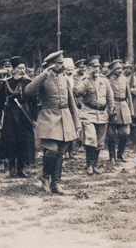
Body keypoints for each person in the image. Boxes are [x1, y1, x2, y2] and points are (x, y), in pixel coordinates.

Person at [25, 51, 81, 194]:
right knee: (51, 151)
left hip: (65, 118)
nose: (62, 66)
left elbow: (71, 102)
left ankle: (56, 184)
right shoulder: (43, 78)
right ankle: (45, 178)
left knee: (61, 152)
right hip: (49, 118)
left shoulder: (64, 78)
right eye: (59, 63)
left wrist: (77, 123)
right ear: (51, 65)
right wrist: (44, 74)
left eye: (62, 63)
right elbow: (28, 90)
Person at [0, 56, 36, 178]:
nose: (22, 70)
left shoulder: (29, 82)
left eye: (23, 68)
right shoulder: (7, 84)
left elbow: (34, 101)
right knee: (11, 141)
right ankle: (12, 167)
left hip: (25, 115)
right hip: (10, 115)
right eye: (19, 68)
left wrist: (35, 116)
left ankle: (21, 168)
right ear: (14, 70)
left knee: (23, 142)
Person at [74, 56, 115, 175]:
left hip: (102, 114)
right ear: (88, 68)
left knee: (100, 142)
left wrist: (111, 110)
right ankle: (89, 165)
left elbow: (110, 97)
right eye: (93, 67)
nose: (96, 69)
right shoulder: (85, 81)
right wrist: (86, 78)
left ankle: (95, 164)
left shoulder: (105, 80)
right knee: (91, 138)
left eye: (97, 67)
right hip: (88, 113)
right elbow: (76, 92)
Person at [106, 60, 133, 165]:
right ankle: (111, 156)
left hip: (123, 107)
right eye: (117, 69)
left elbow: (129, 95)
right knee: (111, 134)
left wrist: (131, 111)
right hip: (112, 108)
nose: (120, 71)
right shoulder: (107, 80)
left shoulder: (124, 79)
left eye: (120, 68)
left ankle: (120, 154)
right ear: (113, 70)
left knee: (124, 133)